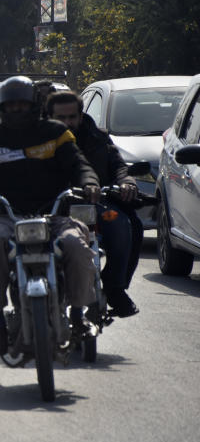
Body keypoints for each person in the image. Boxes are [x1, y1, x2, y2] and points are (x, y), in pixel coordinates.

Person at [0, 76, 100, 355]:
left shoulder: (56, 133)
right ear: (2, 109)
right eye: (11, 106)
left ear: (35, 106)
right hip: (9, 218)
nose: (17, 111)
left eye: (23, 105)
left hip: (56, 215)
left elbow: (79, 165)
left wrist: (89, 183)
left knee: (76, 245)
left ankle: (78, 315)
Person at [47, 90, 141, 317]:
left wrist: (126, 182)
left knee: (124, 225)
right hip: (54, 210)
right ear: (49, 116)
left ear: (81, 116)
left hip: (97, 207)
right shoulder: (39, 140)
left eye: (72, 117)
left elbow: (118, 165)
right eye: (61, 118)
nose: (68, 123)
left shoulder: (98, 137)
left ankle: (115, 287)